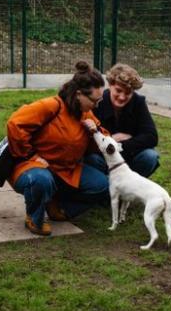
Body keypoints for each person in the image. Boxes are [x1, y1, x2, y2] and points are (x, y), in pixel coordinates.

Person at [7, 61, 108, 236]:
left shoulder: (86, 113)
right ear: (78, 94)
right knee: (40, 180)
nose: (97, 105)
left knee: (101, 185)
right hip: (32, 167)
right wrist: (31, 155)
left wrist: (95, 132)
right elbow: (15, 124)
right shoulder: (51, 105)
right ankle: (35, 217)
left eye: (99, 100)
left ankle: (58, 207)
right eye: (94, 100)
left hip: (65, 170)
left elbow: (105, 140)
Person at [89, 63, 160, 178]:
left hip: (128, 157)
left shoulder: (138, 102)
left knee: (150, 156)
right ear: (110, 85)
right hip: (103, 158)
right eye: (118, 90)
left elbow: (151, 136)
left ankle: (131, 188)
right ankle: (104, 188)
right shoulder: (98, 102)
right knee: (91, 159)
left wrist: (118, 145)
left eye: (128, 93)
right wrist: (112, 140)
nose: (122, 97)